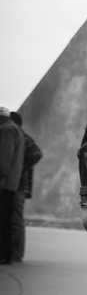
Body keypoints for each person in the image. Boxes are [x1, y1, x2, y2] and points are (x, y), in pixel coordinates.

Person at [9, 112, 42, 262]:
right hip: (17, 185)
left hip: (20, 186)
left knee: (16, 220)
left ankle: (17, 253)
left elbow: (36, 154)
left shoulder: (21, 137)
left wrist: (21, 168)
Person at [0, 107, 25, 265]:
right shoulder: (15, 129)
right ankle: (7, 254)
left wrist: (1, 174)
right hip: (11, 183)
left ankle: (4, 254)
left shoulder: (7, 129)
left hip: (4, 183)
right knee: (6, 220)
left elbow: (5, 157)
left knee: (3, 220)